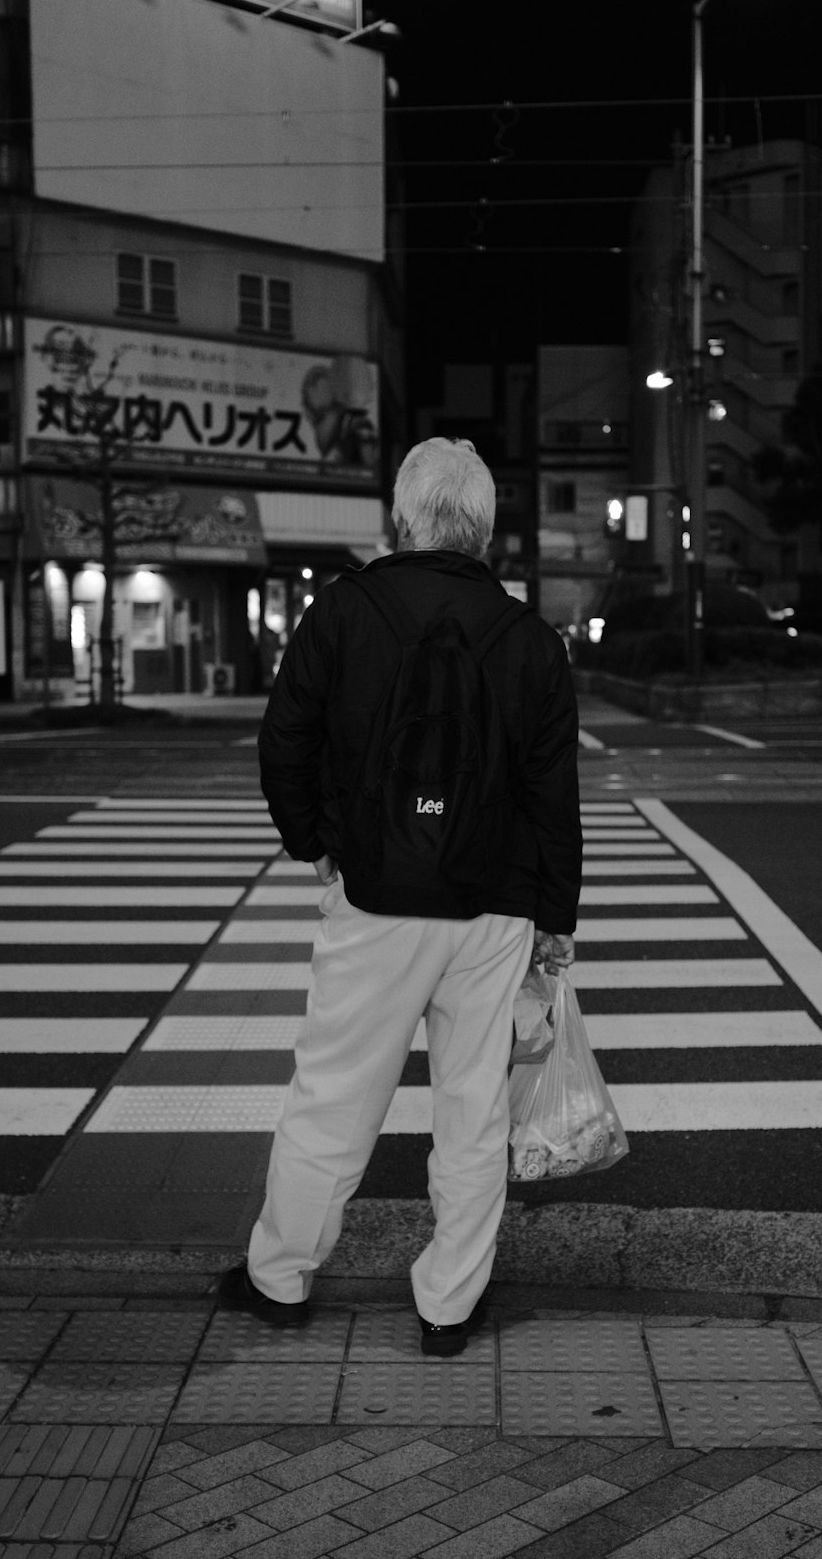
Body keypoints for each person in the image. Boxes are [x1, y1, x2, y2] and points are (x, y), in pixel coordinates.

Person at [218, 437, 582, 1355]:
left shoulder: (343, 614)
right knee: (472, 1109)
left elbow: (283, 744)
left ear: (401, 518)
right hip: (494, 907)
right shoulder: (531, 641)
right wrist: (556, 922)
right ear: (486, 531)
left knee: (332, 1095)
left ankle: (282, 1278)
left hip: (375, 898)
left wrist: (317, 845)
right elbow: (553, 800)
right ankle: (449, 1306)